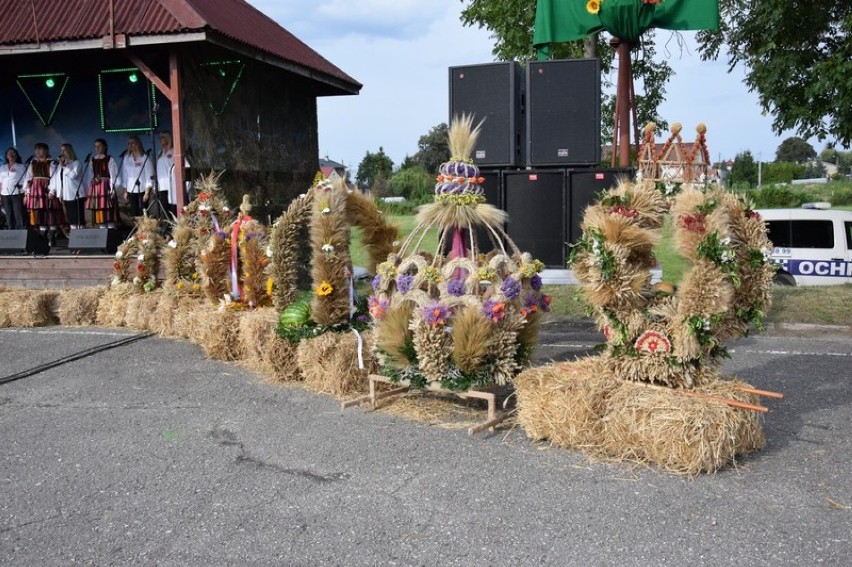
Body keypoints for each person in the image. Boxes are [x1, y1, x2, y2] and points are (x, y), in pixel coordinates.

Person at [23, 142, 63, 245]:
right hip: (36, 190)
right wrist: (27, 192)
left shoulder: (52, 163)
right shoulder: (33, 163)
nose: (37, 151)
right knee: (39, 214)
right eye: (36, 149)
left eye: (40, 149)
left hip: (46, 189)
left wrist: (52, 190)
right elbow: (28, 177)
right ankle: (43, 236)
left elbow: (55, 177)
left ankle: (52, 237)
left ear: (46, 151)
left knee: (50, 213)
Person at [52, 143, 88, 229]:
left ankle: (81, 236)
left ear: (69, 151)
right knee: (71, 218)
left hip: (76, 194)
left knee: (78, 218)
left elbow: (73, 175)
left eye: (64, 150)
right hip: (66, 195)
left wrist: (64, 166)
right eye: (61, 150)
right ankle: (74, 237)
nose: (62, 152)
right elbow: (59, 180)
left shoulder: (76, 163)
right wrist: (60, 193)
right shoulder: (61, 165)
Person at [86, 138, 119, 228]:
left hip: (106, 187)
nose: (97, 148)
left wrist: (112, 189)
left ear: (104, 147)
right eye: (95, 146)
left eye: (99, 146)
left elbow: (113, 175)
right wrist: (91, 184)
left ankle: (111, 233)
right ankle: (103, 234)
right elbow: (90, 175)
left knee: (109, 212)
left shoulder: (109, 159)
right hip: (96, 188)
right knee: (100, 213)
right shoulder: (92, 160)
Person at [118, 135, 153, 218]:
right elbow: (125, 174)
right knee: (134, 211)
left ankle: (145, 229)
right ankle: (136, 229)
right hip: (131, 188)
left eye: (132, 143)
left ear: (138, 144)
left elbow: (149, 174)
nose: (130, 145)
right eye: (129, 143)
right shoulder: (126, 158)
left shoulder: (144, 157)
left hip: (143, 188)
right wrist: (125, 190)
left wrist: (147, 192)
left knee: (144, 211)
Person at [0, 147, 27, 230]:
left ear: (16, 156)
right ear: (7, 156)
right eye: (9, 153)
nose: (11, 155)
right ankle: (10, 232)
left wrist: (26, 195)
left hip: (17, 193)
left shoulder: (21, 166)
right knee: (8, 214)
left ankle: (20, 232)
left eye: (13, 153)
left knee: (18, 214)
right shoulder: (2, 167)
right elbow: (0, 182)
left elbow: (25, 181)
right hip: (4, 194)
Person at [156, 131, 177, 218]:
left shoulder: (174, 151)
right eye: (160, 138)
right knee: (164, 208)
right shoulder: (160, 152)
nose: (161, 139)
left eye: (163, 137)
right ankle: (167, 226)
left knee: (173, 207)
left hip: (171, 184)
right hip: (162, 185)